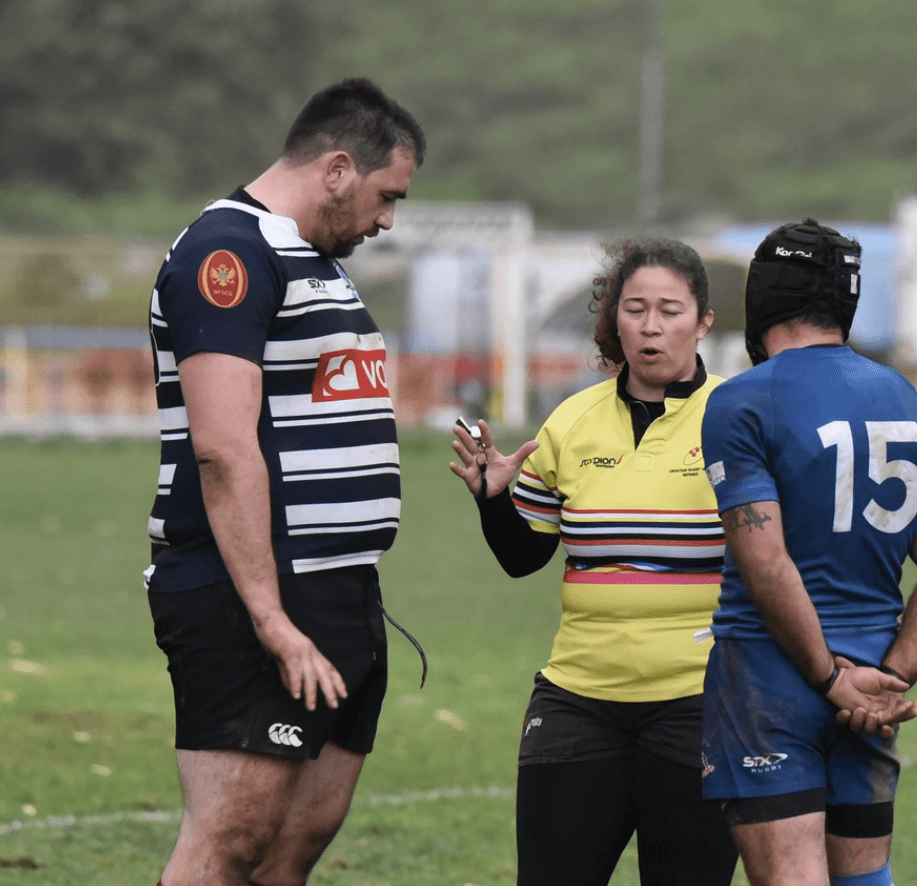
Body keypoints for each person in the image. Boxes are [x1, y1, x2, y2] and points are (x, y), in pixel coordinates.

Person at [143, 78, 426, 886]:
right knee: (231, 839)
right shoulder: (226, 252)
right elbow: (224, 449)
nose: (386, 220)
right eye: (385, 196)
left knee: (291, 846)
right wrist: (270, 618)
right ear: (338, 168)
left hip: (340, 592)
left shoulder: (316, 260)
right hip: (252, 596)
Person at [698, 219, 917, 886]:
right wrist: (885, 682)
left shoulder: (741, 402)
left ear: (762, 298)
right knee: (864, 878)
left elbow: (765, 561)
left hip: (771, 682)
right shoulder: (915, 404)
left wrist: (829, 679)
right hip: (876, 683)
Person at [448, 238, 740, 886]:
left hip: (700, 704)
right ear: (615, 321)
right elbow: (525, 560)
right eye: (635, 308)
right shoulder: (570, 423)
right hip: (578, 703)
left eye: (670, 309)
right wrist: (493, 503)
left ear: (703, 320)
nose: (652, 325)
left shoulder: (738, 421)